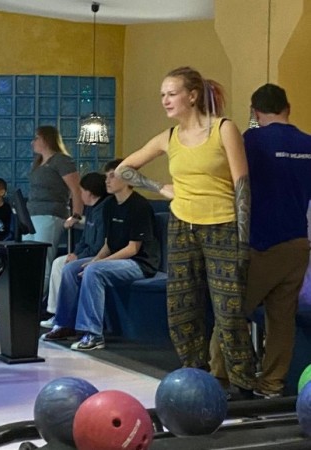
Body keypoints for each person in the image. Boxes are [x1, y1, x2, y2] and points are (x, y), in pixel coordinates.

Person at [116, 66, 257, 397]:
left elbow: (242, 185)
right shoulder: (168, 137)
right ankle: (195, 377)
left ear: (192, 96)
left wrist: (243, 240)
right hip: (182, 226)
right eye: (162, 95)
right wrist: (160, 187)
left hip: (223, 227)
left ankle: (243, 384)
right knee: (181, 309)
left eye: (172, 93)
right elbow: (124, 169)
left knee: (229, 311)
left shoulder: (223, 129)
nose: (165, 100)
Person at [209, 84, 311, 398]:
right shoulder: (308, 143)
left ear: (255, 111)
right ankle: (271, 384)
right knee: (281, 321)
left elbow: (232, 182)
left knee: (231, 312)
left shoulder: (252, 141)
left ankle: (219, 380)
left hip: (260, 243)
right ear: (287, 108)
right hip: (297, 243)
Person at [41, 160, 160, 349]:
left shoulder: (139, 206)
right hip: (116, 259)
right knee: (71, 268)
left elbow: (133, 249)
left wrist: (96, 264)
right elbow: (107, 244)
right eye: (106, 177)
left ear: (128, 179)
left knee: (93, 271)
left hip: (139, 263)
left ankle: (93, 334)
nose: (107, 181)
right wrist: (95, 260)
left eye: (112, 176)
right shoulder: (110, 205)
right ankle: (65, 324)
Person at [41, 172, 109, 328]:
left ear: (90, 193)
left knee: (64, 265)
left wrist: (79, 257)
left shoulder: (104, 212)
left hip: (98, 256)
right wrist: (75, 253)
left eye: (82, 190)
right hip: (86, 253)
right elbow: (84, 239)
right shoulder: (91, 209)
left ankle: (63, 317)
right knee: (59, 262)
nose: (79, 194)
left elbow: (100, 245)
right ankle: (56, 313)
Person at [25, 126, 83, 298]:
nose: (33, 142)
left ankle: (37, 298)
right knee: (27, 257)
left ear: (46, 139)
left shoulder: (61, 161)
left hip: (50, 213)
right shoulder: (38, 163)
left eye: (36, 138)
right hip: (32, 214)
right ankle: (26, 296)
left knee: (43, 259)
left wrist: (76, 214)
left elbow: (76, 189)